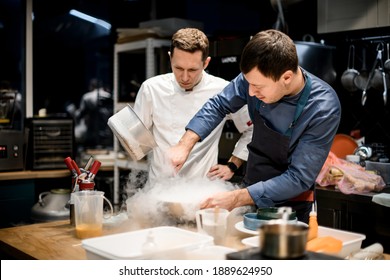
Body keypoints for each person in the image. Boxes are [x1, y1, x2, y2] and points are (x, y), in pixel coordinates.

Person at [168, 29, 341, 223]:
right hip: (250, 189)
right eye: (248, 83)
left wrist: (237, 197)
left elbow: (299, 178)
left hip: (291, 205)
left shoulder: (322, 107)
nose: (249, 92)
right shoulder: (255, 77)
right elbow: (219, 105)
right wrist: (185, 144)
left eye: (258, 87)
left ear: (286, 78)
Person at [133, 28, 253, 187]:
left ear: (206, 63)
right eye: (178, 68)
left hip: (201, 191)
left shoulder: (222, 91)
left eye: (192, 70)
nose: (184, 77)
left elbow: (252, 129)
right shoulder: (151, 88)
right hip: (158, 190)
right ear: (170, 59)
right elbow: (137, 142)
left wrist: (232, 165)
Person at [70, 78, 113, 149]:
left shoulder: (87, 97)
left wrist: (72, 111)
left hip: (92, 135)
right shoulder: (109, 96)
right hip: (109, 133)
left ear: (91, 86)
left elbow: (79, 115)